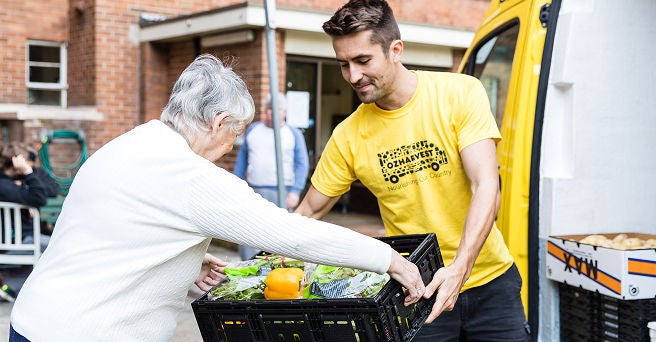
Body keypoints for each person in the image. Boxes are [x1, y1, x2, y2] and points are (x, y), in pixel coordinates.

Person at [9, 54, 426, 342]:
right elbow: (290, 234)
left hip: (34, 320)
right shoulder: (191, 177)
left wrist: (179, 258)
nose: (231, 146)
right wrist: (388, 259)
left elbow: (105, 228)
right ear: (218, 122)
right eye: (235, 133)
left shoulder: (131, 143)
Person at [295, 0, 529, 340]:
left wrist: (459, 269)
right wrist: (254, 263)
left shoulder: (459, 93)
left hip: (491, 283)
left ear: (395, 50)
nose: (353, 75)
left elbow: (486, 187)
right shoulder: (348, 135)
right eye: (344, 64)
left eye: (363, 60)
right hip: (416, 291)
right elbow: (307, 212)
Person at [233, 92, 310, 260]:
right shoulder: (253, 130)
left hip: (282, 192)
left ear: (284, 112)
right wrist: (235, 186)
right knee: (248, 231)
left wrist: (295, 192)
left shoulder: (294, 134)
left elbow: (302, 164)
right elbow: (242, 161)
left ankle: (275, 267)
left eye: (277, 109)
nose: (271, 113)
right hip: (254, 190)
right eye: (268, 109)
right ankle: (248, 264)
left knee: (279, 234)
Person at [0, 143, 48, 244]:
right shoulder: (5, 187)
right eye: (24, 162)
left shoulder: (10, 183)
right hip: (18, 242)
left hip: (20, 240)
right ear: (16, 163)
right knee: (62, 248)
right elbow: (40, 197)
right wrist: (27, 171)